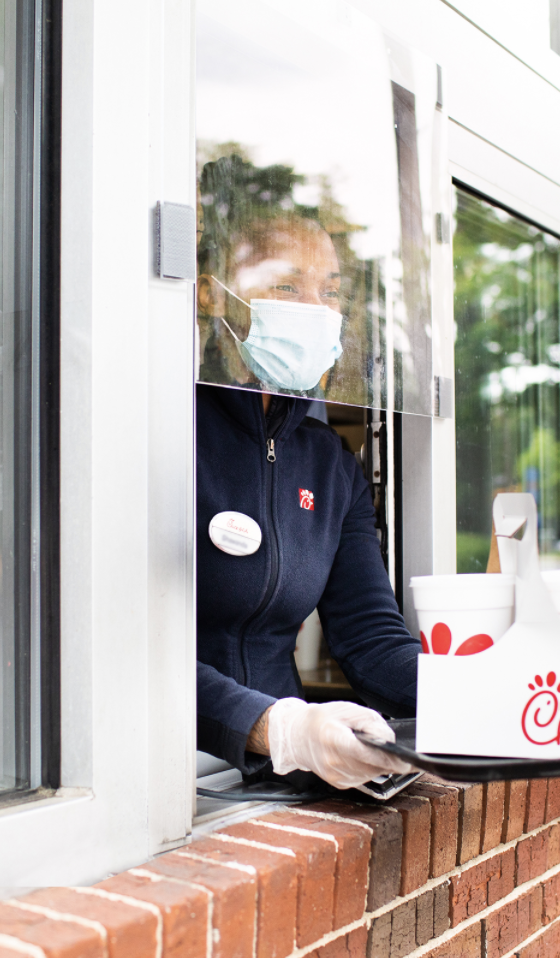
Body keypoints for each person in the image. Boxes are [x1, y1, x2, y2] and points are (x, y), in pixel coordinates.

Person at [195, 165, 418, 789]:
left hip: (271, 778)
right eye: (288, 287)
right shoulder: (163, 434)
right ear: (212, 295)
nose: (316, 311)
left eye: (332, 291)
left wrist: (482, 696)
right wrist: (277, 727)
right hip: (163, 774)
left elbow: (373, 640)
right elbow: (124, 640)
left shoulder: (328, 463)